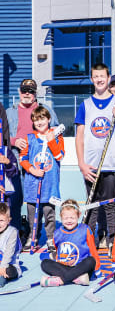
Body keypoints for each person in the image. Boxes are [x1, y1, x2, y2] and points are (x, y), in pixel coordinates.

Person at [75, 63, 115, 252]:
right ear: (92, 79)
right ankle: (89, 243)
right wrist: (81, 163)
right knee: (91, 205)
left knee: (110, 204)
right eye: (95, 76)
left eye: (102, 76)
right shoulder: (85, 105)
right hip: (91, 165)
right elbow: (79, 137)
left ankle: (114, 241)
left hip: (111, 163)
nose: (99, 79)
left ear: (107, 79)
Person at [7, 79, 58, 231]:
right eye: (24, 90)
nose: (27, 94)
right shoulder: (10, 111)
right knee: (15, 199)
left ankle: (33, 233)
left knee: (39, 199)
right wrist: (14, 141)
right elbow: (2, 136)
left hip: (39, 161)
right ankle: (15, 232)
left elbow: (56, 131)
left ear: (36, 93)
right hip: (15, 159)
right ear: (19, 92)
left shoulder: (46, 110)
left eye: (30, 91)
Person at [20, 106, 65, 252]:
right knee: (33, 214)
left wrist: (51, 141)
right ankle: (33, 237)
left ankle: (51, 237)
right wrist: (32, 169)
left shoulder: (57, 137)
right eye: (36, 120)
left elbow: (59, 156)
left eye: (42, 119)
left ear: (49, 119)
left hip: (49, 184)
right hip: (33, 183)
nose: (39, 122)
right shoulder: (30, 138)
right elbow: (23, 158)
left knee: (49, 213)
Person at [40, 199, 100, 287]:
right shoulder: (57, 233)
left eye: (72, 218)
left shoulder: (85, 229)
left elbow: (92, 250)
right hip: (64, 266)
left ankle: (60, 280)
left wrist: (97, 269)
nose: (69, 221)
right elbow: (55, 253)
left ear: (78, 215)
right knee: (45, 263)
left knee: (90, 261)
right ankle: (76, 279)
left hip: (81, 267)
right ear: (61, 217)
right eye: (65, 218)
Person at [0, 202, 22, 288]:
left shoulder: (12, 232)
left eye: (1, 220)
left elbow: (9, 251)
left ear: (8, 220)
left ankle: (2, 278)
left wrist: (2, 267)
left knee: (8, 271)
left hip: (8, 265)